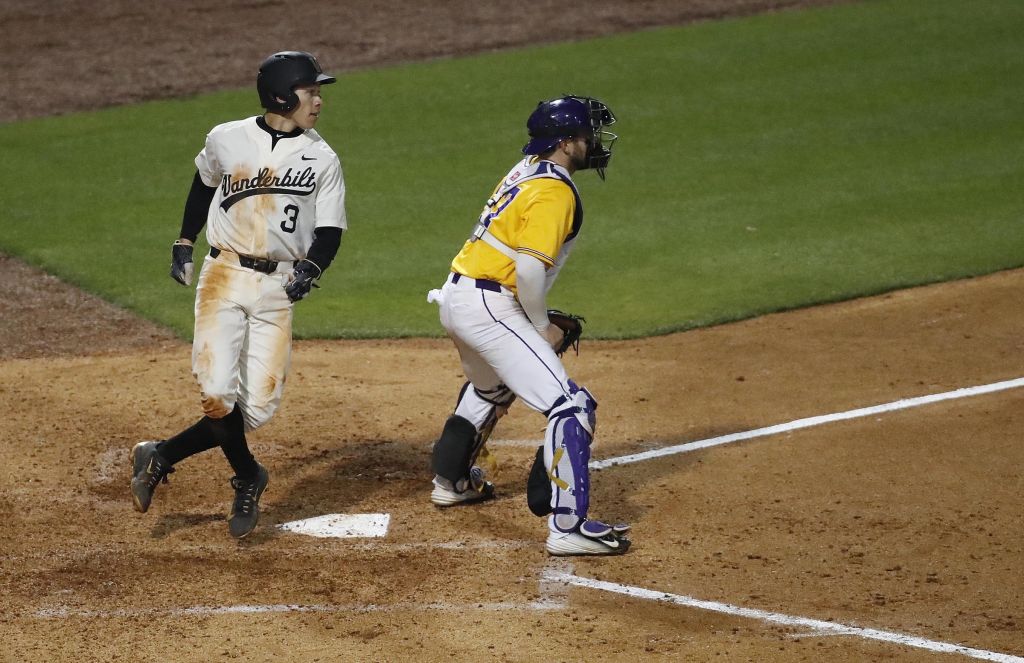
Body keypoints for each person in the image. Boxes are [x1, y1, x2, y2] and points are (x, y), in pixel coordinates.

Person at [129, 51, 348, 539]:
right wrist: (184, 241)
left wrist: (311, 267)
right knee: (215, 393)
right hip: (224, 275)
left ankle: (161, 453)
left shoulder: (323, 158)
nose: (318, 101)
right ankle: (248, 476)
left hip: (277, 285)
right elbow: (203, 184)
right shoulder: (226, 138)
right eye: (311, 91)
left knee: (256, 409)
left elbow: (330, 230)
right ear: (280, 95)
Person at [426, 95, 631, 556]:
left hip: (457, 298)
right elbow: (529, 271)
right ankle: (568, 526)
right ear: (565, 143)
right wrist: (541, 326)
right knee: (572, 406)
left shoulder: (526, 171)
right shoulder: (556, 190)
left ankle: (452, 482)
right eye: (585, 135)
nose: (592, 142)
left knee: (492, 387)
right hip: (490, 307)